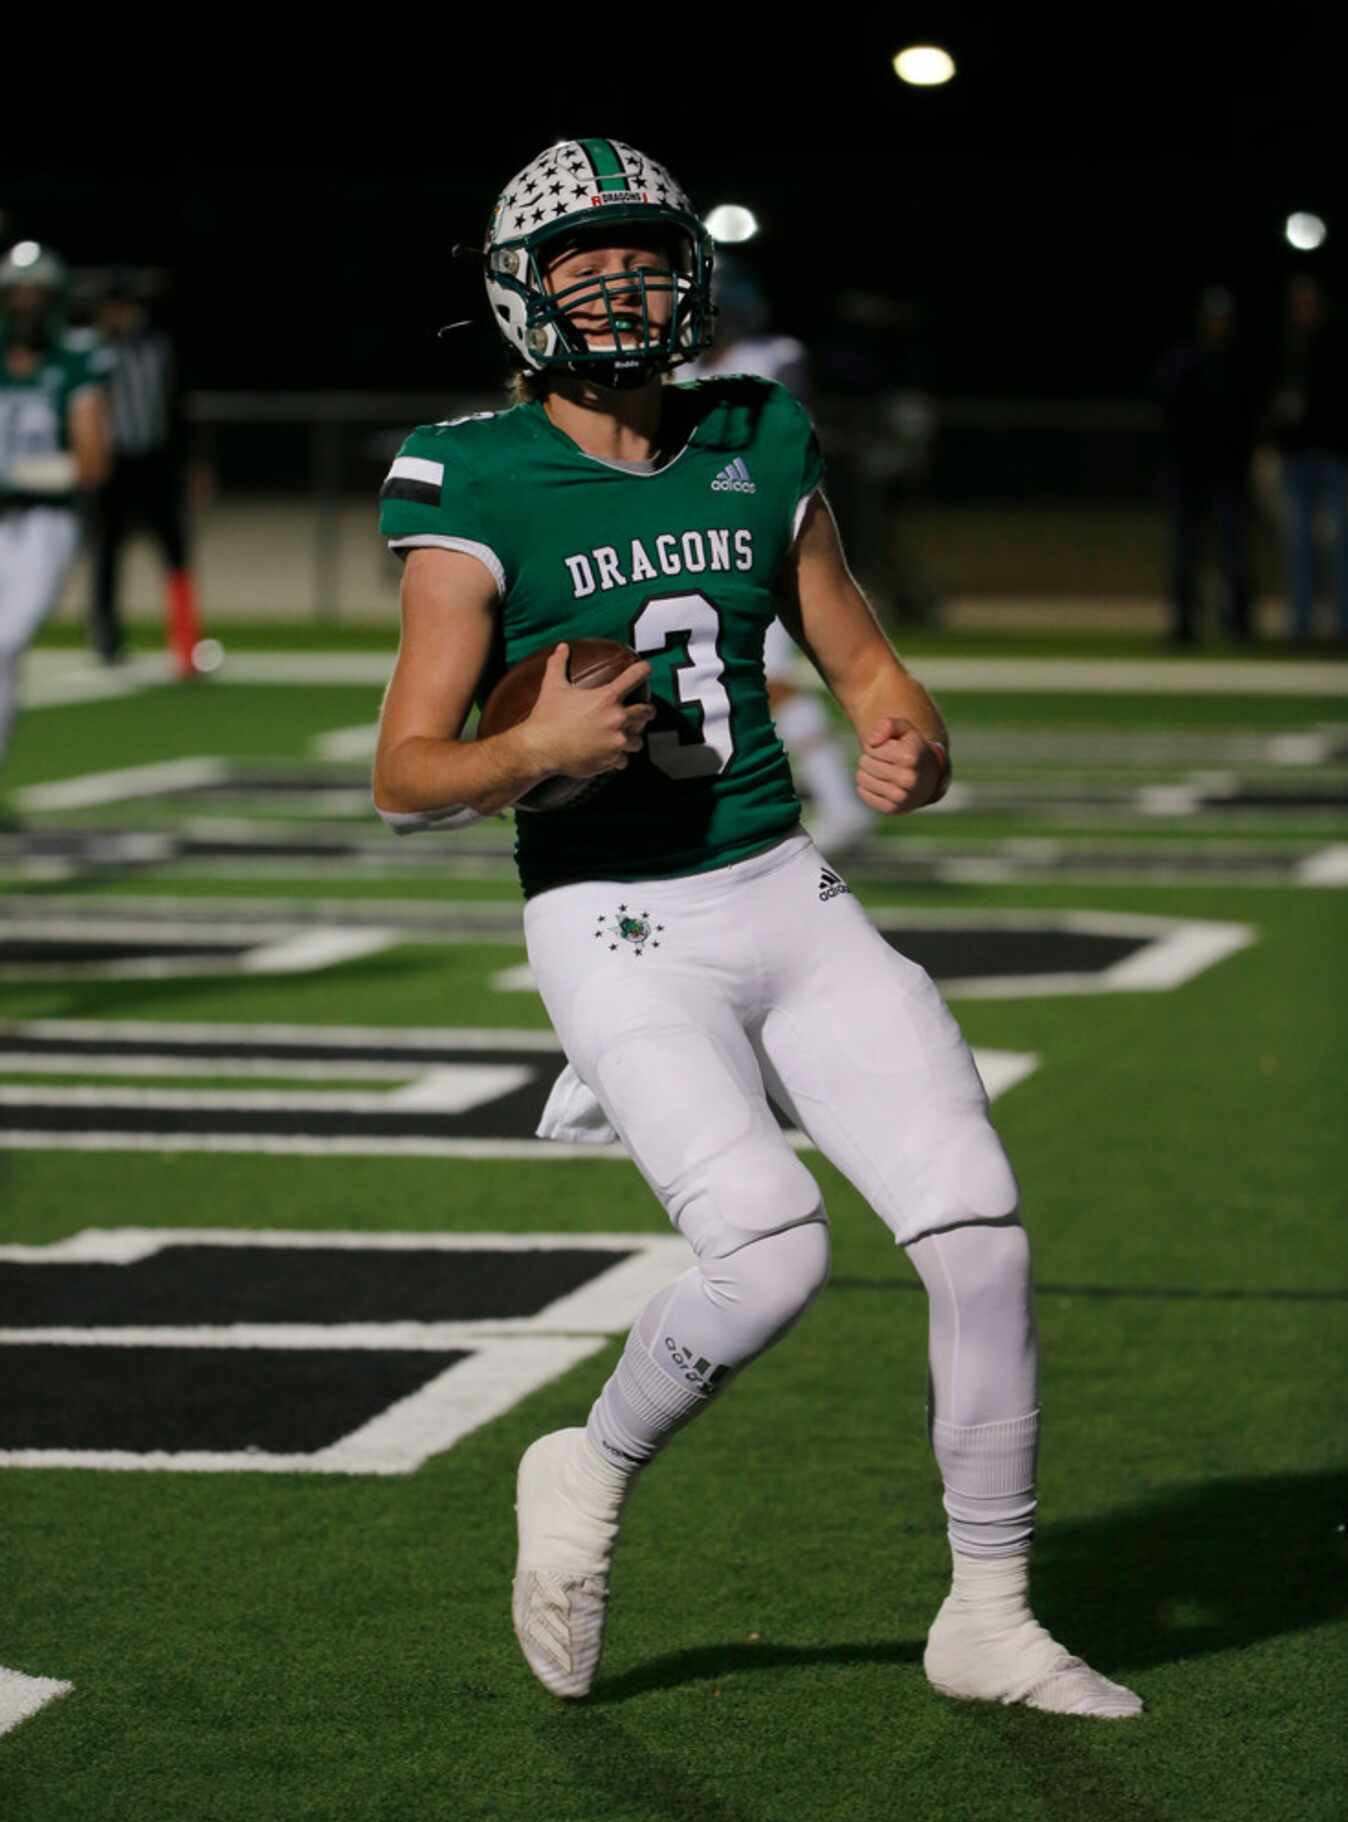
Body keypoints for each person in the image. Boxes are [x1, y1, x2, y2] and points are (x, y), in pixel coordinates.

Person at [373, 138, 1141, 1721]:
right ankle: (583, 1466)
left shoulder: (756, 432)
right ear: (524, 297)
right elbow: (405, 774)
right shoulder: (468, 475)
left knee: (978, 1232)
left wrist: (909, 727)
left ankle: (987, 1614)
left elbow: (858, 653)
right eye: (584, 262)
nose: (623, 284)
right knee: (772, 1252)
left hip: (782, 884)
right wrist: (530, 753)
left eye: (642, 254)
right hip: (614, 915)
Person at [676, 257, 870, 855]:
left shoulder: (774, 359)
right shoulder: (676, 367)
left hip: (763, 536)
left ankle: (839, 803)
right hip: (695, 541)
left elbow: (765, 444)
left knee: (765, 676)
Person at [0, 241, 110, 788]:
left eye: (32, 293)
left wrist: (15, 474)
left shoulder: (74, 359)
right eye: (14, 292)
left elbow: (91, 462)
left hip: (45, 524)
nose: (23, 304)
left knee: (4, 641)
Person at [87, 277, 203, 676]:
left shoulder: (160, 347)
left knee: (176, 553)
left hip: (157, 464)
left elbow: (180, 409)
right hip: (114, 467)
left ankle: (186, 643)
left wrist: (193, 464)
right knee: (107, 555)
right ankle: (107, 639)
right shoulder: (94, 353)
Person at [1154, 286, 1259, 647]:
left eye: (1223, 320)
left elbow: (1250, 417)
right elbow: (1168, 412)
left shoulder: (1240, 365)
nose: (1218, 326)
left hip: (1228, 475)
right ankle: (1184, 626)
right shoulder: (1185, 363)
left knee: (1235, 553)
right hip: (1190, 474)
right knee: (1185, 554)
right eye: (1213, 320)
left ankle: (1240, 625)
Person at [1269, 275, 1348, 644]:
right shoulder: (1285, 346)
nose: (1303, 309)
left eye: (1309, 302)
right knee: (1298, 545)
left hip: (1334, 456)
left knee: (1340, 544)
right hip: (1297, 458)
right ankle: (1301, 626)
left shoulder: (1335, 343)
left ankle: (1343, 623)